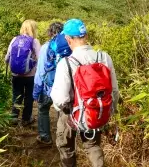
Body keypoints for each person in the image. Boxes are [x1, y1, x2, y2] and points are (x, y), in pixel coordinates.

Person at [51, 19, 119, 167]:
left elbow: (60, 98)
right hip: (95, 113)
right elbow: (114, 91)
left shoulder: (66, 63)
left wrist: (62, 108)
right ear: (85, 35)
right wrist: (109, 110)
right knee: (93, 146)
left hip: (71, 114)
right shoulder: (104, 58)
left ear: (68, 39)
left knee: (66, 147)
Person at [33, 22, 72, 146]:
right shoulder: (69, 47)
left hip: (48, 87)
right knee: (62, 112)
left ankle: (45, 137)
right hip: (63, 87)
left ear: (50, 32)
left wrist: (36, 91)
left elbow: (40, 71)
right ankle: (63, 139)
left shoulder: (46, 47)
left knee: (43, 109)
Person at [5, 19, 41, 125]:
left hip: (16, 74)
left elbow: (7, 57)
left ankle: (14, 118)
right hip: (30, 75)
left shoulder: (14, 39)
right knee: (29, 97)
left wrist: (9, 65)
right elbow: (39, 58)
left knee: (16, 95)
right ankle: (26, 119)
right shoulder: (34, 41)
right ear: (33, 29)